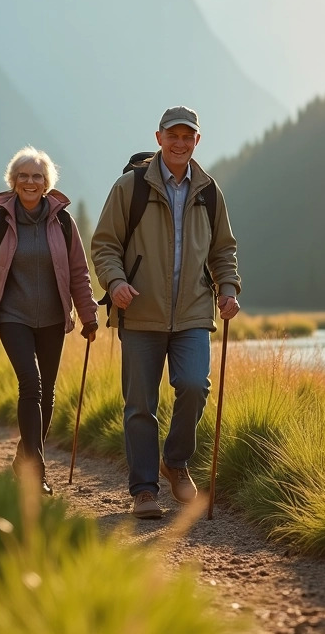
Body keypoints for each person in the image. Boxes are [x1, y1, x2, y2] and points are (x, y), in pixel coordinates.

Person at [90, 105, 241, 519]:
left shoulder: (209, 193)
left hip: (193, 311)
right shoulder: (131, 187)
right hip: (139, 312)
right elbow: (104, 244)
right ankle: (143, 490)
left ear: (197, 140)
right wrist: (115, 282)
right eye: (172, 135)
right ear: (159, 138)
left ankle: (175, 461)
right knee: (140, 404)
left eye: (187, 136)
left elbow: (223, 251)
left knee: (194, 385)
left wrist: (227, 289)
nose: (179, 143)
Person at [0, 147, 99, 494]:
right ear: (13, 182)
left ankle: (24, 457)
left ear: (46, 183)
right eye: (24, 176)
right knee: (32, 384)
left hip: (54, 319)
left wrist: (88, 315)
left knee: (47, 394)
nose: (30, 181)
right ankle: (35, 470)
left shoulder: (62, 222)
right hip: (13, 317)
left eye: (37, 176)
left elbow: (78, 274)